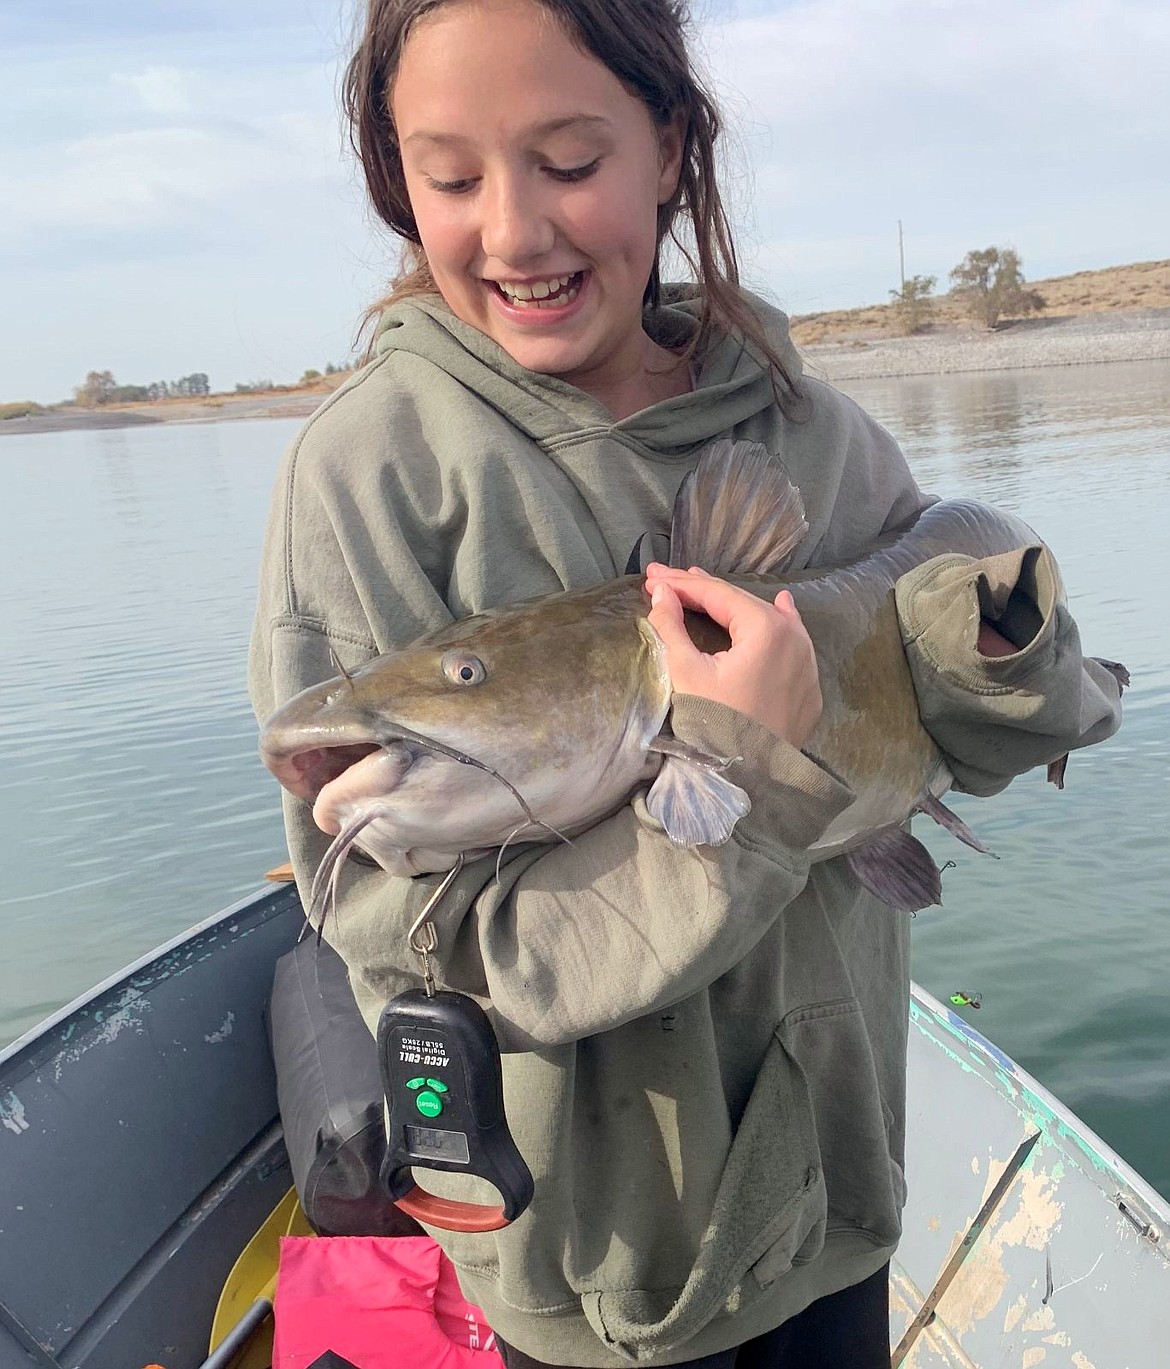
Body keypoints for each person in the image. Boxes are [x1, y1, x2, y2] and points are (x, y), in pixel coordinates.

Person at [248, 1, 1124, 1364]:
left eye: (569, 160)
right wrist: (753, 780)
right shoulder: (371, 476)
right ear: (391, 180)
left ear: (668, 149)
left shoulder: (813, 436)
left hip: (838, 1184)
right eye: (452, 175)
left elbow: (1004, 728)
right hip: (600, 1270)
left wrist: (1003, 654)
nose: (515, 230)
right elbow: (405, 938)